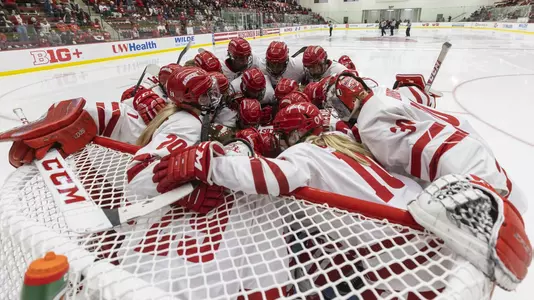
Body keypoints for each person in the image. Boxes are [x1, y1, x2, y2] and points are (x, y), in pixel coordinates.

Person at [322, 72, 532, 291]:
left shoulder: (370, 126)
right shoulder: (386, 92)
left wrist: (477, 192)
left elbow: (423, 160)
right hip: (470, 142)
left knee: (468, 259)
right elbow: (420, 94)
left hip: (467, 172)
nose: (339, 111)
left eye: (339, 104)